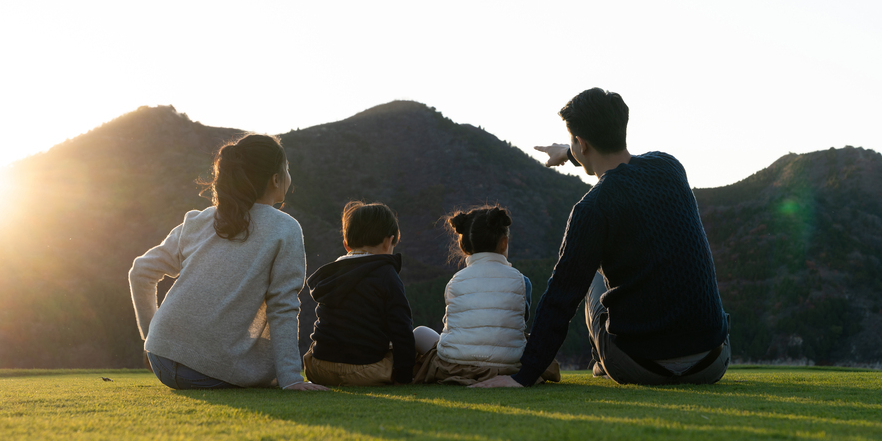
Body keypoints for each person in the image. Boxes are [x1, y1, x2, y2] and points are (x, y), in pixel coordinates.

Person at [472, 88, 729, 388]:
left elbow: (560, 298)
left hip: (643, 367)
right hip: (713, 361)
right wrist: (568, 152)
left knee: (590, 278)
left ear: (582, 143)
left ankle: (601, 361)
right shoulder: (670, 167)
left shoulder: (592, 208)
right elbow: (601, 151)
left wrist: (523, 376)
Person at [129, 134, 327, 391]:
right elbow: (283, 306)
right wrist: (290, 378)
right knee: (267, 363)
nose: (289, 175)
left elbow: (141, 271)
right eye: (287, 168)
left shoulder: (198, 220)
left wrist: (151, 338)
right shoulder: (285, 228)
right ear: (276, 179)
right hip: (206, 372)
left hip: (161, 360)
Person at [412, 205, 561, 385]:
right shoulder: (522, 281)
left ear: (464, 245)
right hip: (508, 366)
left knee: (419, 332)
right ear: (504, 242)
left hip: (455, 365)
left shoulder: (455, 281)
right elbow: (519, 320)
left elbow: (452, 325)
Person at [303, 201, 421, 386]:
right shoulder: (386, 274)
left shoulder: (331, 274)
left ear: (346, 245)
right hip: (365, 372)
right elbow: (401, 329)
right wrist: (404, 377)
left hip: (319, 369)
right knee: (419, 344)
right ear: (388, 241)